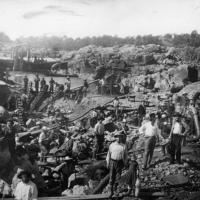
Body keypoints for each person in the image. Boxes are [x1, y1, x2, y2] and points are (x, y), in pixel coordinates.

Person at [106, 131, 128, 197]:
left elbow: (125, 156)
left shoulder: (123, 146)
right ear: (115, 138)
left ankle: (116, 190)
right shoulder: (111, 145)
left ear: (121, 138)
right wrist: (107, 162)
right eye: (117, 137)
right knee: (111, 176)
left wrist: (125, 163)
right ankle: (111, 191)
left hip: (120, 162)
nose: (118, 139)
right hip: (113, 162)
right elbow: (108, 155)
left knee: (118, 177)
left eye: (120, 137)